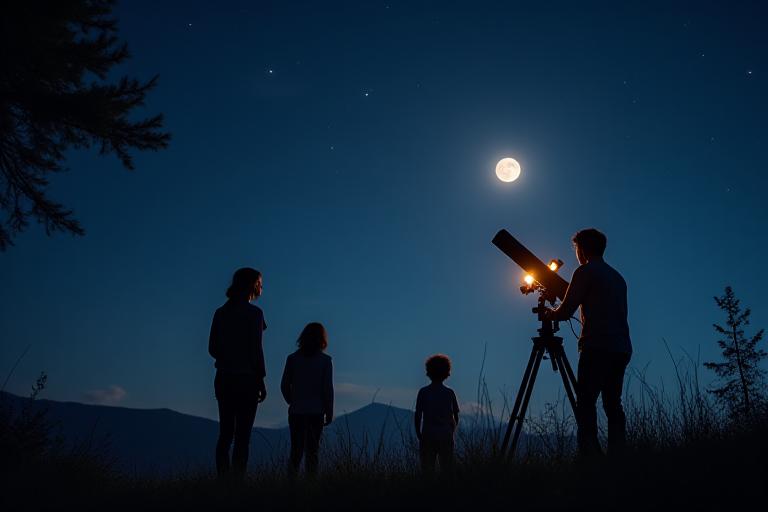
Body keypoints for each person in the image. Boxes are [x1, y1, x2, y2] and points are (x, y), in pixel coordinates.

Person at [545, 228, 632, 459]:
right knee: (613, 403)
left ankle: (590, 458)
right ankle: (618, 455)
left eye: (576, 249)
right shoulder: (617, 277)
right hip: (621, 347)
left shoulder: (584, 272)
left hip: (597, 346)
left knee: (585, 403)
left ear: (581, 249)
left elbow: (566, 310)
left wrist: (550, 314)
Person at [208, 267, 268, 481]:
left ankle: (223, 480)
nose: (262, 287)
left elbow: (212, 347)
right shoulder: (255, 314)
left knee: (225, 433)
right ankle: (237, 481)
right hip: (247, 379)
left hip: (224, 378)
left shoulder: (221, 313)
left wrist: (228, 356)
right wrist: (261, 378)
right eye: (260, 283)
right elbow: (256, 349)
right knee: (243, 435)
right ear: (252, 285)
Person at [280, 322, 334, 477]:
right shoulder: (325, 361)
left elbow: (284, 385)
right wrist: (329, 411)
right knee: (313, 452)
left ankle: (291, 486)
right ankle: (311, 486)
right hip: (316, 412)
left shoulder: (292, 359)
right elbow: (327, 390)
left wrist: (292, 401)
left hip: (296, 412)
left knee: (296, 452)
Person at [414, 354, 460, 476]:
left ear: (429, 372)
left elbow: (418, 415)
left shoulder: (423, 392)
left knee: (427, 470)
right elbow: (456, 414)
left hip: (428, 433)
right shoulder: (449, 393)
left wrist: (419, 433)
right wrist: (451, 430)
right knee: (447, 469)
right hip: (445, 434)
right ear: (447, 372)